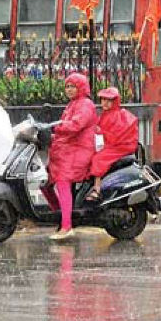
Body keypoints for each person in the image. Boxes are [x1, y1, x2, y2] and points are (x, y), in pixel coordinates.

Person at [40, 73, 97, 240]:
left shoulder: (85, 105)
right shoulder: (72, 104)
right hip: (68, 147)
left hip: (79, 149)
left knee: (62, 181)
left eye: (72, 86)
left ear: (81, 87)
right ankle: (62, 216)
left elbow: (76, 125)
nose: (69, 89)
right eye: (67, 86)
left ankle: (67, 226)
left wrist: (54, 129)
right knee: (45, 182)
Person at [86, 87, 139, 201]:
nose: (105, 102)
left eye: (108, 100)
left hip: (119, 147)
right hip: (112, 145)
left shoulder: (116, 116)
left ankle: (97, 189)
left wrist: (99, 132)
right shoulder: (107, 114)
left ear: (115, 101)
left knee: (98, 159)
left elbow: (113, 136)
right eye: (103, 99)